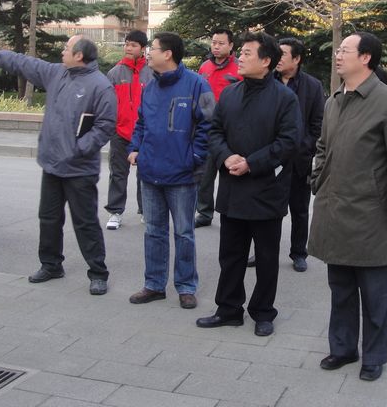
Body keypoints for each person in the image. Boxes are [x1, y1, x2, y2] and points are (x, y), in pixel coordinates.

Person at [308, 32, 387, 381]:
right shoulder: (334, 100)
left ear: (366, 57)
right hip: (333, 208)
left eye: (345, 51)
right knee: (340, 286)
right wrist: (317, 179)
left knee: (374, 293)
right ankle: (342, 348)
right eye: (338, 50)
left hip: (371, 212)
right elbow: (323, 146)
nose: (338, 56)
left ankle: (374, 356)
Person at [0, 36, 116, 295]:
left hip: (80, 169)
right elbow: (25, 63)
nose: (62, 52)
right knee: (49, 218)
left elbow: (105, 126)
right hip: (51, 164)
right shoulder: (57, 73)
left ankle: (98, 273)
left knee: (85, 223)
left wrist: (78, 149)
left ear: (79, 55)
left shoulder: (100, 86)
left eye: (67, 48)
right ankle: (51, 265)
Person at [195, 32, 301, 337]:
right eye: (240, 52)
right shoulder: (230, 94)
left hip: (266, 190)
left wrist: (252, 163)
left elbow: (288, 142)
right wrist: (226, 157)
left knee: (266, 258)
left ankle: (263, 312)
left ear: (266, 61)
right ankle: (228, 309)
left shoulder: (284, 98)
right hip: (232, 188)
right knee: (230, 255)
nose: (239, 58)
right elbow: (215, 132)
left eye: (246, 53)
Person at [127, 32, 214, 309]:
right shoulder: (149, 86)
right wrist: (135, 147)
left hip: (182, 175)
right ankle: (154, 284)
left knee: (184, 233)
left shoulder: (198, 84)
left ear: (168, 54)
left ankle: (186, 286)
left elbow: (210, 123)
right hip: (150, 171)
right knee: (154, 231)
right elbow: (141, 122)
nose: (148, 53)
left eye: (152, 48)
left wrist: (194, 156)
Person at [247, 37, 324, 272]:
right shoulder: (267, 82)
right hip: (271, 159)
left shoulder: (312, 86)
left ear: (297, 59)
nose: (278, 59)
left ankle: (299, 252)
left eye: (283, 55)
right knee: (266, 210)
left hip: (298, 160)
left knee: (299, 209)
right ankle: (262, 252)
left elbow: (317, 126)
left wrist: (302, 148)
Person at [104, 30, 153, 230]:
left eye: (133, 45)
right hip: (121, 133)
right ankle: (115, 212)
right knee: (117, 174)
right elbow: (108, 105)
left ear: (143, 49)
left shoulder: (151, 73)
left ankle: (146, 210)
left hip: (145, 134)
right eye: (127, 44)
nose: (128, 48)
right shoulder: (115, 73)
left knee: (146, 175)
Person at [194, 28, 242, 227]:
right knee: (204, 175)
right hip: (207, 128)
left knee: (230, 174)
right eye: (214, 42)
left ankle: (231, 212)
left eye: (221, 43)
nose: (216, 46)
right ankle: (204, 212)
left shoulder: (239, 68)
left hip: (231, 130)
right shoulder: (205, 67)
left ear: (231, 45)